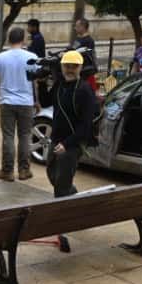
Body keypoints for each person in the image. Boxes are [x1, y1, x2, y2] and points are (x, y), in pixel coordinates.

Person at [0, 27, 38, 181]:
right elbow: (35, 82)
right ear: (23, 40)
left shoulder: (0, 58)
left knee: (8, 136)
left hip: (7, 102)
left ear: (8, 39)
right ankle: (24, 170)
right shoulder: (32, 57)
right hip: (26, 102)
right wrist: (36, 101)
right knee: (25, 136)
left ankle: (7, 170)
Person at [47, 50, 96, 197]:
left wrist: (67, 144)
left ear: (80, 68)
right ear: (61, 67)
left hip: (72, 144)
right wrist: (41, 84)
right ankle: (73, 196)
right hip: (56, 139)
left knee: (61, 186)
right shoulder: (60, 85)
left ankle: (62, 214)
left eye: (74, 67)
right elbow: (45, 101)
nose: (70, 70)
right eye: (67, 66)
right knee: (53, 176)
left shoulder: (84, 90)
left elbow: (86, 125)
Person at [71, 18, 97, 92]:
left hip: (85, 72)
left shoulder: (88, 41)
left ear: (82, 27)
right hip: (78, 70)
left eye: (77, 26)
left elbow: (86, 56)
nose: (75, 28)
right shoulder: (78, 38)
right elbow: (73, 49)